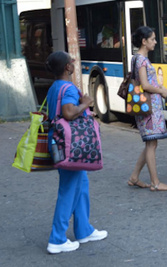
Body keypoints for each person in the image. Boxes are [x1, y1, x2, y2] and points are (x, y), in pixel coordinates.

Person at [44, 51, 107, 254]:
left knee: (81, 184)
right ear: (67, 68)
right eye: (71, 62)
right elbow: (69, 112)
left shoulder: (55, 87)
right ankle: (57, 239)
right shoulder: (68, 88)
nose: (73, 64)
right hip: (70, 146)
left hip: (59, 142)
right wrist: (85, 104)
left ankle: (83, 229)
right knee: (68, 190)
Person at [127, 26, 167, 192]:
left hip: (147, 106)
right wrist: (161, 90)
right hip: (149, 108)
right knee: (151, 144)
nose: (155, 42)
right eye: (153, 39)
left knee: (150, 143)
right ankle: (155, 182)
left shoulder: (138, 58)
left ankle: (134, 176)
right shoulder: (141, 60)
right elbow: (145, 85)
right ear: (144, 41)